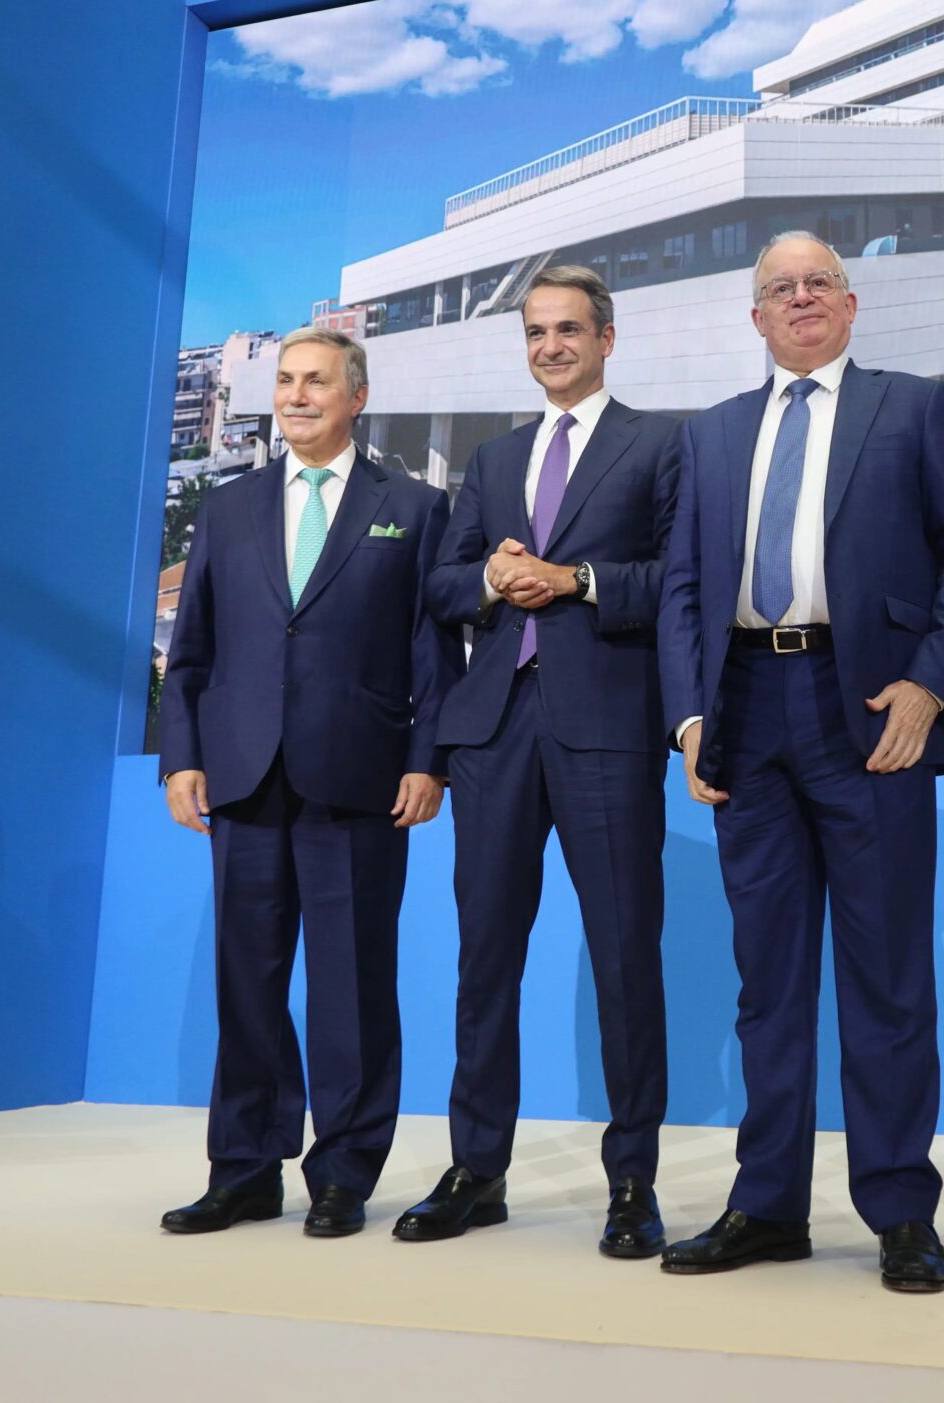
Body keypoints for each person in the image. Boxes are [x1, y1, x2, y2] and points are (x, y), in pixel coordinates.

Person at [655, 232, 944, 1293]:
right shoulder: (710, 433)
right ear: (755, 317)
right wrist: (688, 719)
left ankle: (900, 1210)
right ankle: (767, 1207)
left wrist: (931, 685)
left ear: (850, 305)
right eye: (779, 288)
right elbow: (682, 588)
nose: (799, 298)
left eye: (818, 283)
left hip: (871, 710)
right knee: (767, 980)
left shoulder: (913, 407)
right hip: (744, 717)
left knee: (885, 975)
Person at [400, 266, 682, 1259]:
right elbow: (440, 586)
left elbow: (680, 578)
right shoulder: (494, 457)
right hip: (493, 734)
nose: (550, 345)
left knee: (623, 958)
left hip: (606, 728)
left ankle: (633, 1181)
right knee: (485, 959)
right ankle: (477, 1169)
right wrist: (488, 575)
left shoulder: (661, 443)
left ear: (606, 338)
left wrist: (577, 579)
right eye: (535, 331)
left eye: (568, 329)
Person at [156, 326, 459, 1240]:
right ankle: (243, 1168)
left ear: (356, 396)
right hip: (243, 774)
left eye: (316, 380)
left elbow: (433, 650)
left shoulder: (414, 506)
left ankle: (343, 1173)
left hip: (361, 777)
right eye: (286, 380)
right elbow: (191, 648)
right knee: (246, 981)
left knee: (352, 986)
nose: (295, 395)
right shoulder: (228, 507)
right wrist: (182, 755)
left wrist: (428, 758)